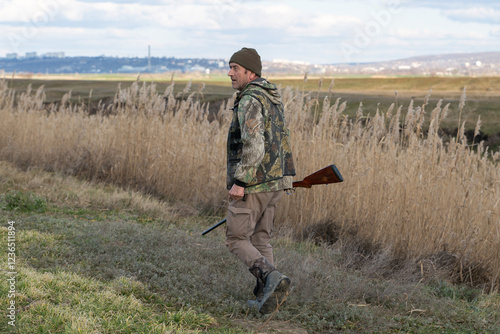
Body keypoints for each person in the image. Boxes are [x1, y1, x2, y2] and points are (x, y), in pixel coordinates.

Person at [225, 47, 296, 314]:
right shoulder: (272, 97)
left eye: (235, 68)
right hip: (276, 180)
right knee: (261, 238)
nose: (230, 73)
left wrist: (240, 181)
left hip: (255, 183)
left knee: (236, 238)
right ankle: (269, 297)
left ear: (250, 71)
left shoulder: (250, 100)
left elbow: (253, 145)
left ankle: (271, 279)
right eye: (230, 67)